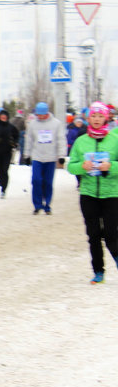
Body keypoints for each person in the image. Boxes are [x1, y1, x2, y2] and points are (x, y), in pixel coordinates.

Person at [67, 102, 118, 284]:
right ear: (88, 119)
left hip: (111, 194)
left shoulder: (114, 140)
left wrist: (111, 166)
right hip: (88, 194)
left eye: (100, 116)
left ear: (106, 118)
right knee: (94, 234)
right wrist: (81, 166)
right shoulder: (81, 142)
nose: (96, 119)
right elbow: (70, 166)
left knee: (112, 234)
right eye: (93, 116)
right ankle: (98, 271)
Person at [23, 102, 66, 215]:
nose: (39, 117)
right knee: (36, 180)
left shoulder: (56, 124)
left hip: (50, 158)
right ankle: (37, 205)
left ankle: (47, 204)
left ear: (46, 113)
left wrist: (61, 156)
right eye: (38, 115)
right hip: (37, 157)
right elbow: (29, 140)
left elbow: (61, 140)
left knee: (48, 182)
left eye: (41, 115)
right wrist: (26, 155)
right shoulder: (33, 124)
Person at [0, 108, 19, 198]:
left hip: (7, 151)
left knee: (5, 169)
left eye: (5, 117)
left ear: (7, 117)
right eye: (2, 117)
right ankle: (1, 182)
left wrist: (14, 143)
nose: (3, 118)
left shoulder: (11, 127)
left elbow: (16, 135)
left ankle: (4, 188)